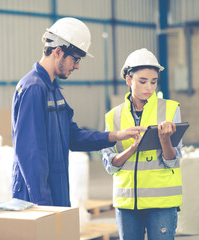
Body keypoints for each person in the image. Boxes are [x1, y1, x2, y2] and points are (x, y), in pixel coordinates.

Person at [11, 17, 144, 207]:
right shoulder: (33, 88)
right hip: (36, 197)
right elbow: (30, 153)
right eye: (76, 59)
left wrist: (116, 135)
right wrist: (43, 206)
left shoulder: (53, 90)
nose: (77, 66)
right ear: (58, 51)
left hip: (55, 191)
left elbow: (72, 137)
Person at [101, 48, 183, 240]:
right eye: (143, 81)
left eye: (153, 82)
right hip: (127, 204)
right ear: (129, 80)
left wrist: (165, 141)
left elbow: (173, 161)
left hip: (161, 204)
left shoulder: (171, 110)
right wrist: (131, 149)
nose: (149, 87)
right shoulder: (113, 116)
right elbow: (109, 165)